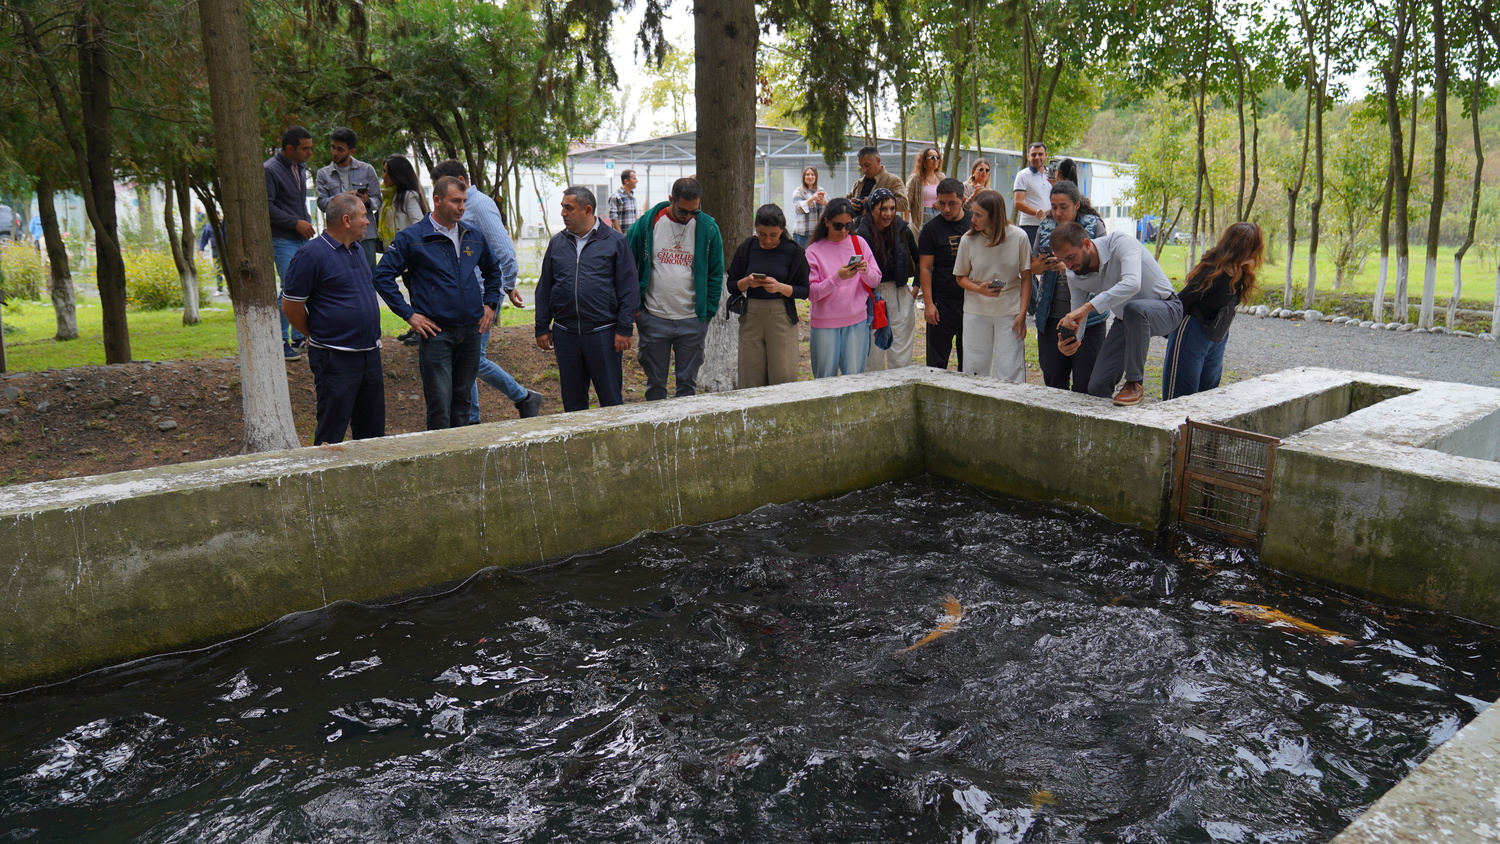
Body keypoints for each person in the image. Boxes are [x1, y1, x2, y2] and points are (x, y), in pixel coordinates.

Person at [371, 176, 504, 429]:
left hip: (471, 331)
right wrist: (409, 314)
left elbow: (493, 270)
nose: (461, 207)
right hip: (436, 332)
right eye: (455, 201)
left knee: (463, 403)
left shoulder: (472, 235)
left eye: (463, 201)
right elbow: (382, 276)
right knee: (440, 404)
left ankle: (461, 450)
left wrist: (491, 303)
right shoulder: (412, 237)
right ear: (437, 200)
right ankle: (440, 451)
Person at [430, 160, 542, 422]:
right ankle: (474, 417)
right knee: (465, 359)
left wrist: (505, 286)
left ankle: (520, 398)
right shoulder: (461, 207)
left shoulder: (479, 204)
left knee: (471, 359)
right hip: (465, 295)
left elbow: (504, 250)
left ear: (461, 180)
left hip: (482, 295)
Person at [280, 192, 385, 445]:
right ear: (347, 220)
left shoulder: (357, 249)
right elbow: (291, 306)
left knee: (372, 434)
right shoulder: (311, 255)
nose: (368, 221)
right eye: (364, 216)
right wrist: (313, 333)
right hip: (335, 357)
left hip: (369, 354)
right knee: (331, 432)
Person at [1051, 221, 1182, 406]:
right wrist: (1071, 340)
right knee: (1097, 386)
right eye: (1063, 260)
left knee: (1134, 309)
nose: (1069, 266)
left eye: (1071, 257)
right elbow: (1077, 315)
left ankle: (1134, 383)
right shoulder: (1074, 274)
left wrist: (1088, 306)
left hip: (1167, 308)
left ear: (1086, 244)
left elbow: (1132, 284)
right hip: (1126, 320)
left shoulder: (1120, 242)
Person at [535, 186, 639, 412]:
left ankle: (613, 435)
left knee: (611, 401)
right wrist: (542, 327)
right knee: (572, 403)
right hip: (565, 335)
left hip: (603, 334)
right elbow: (545, 287)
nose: (563, 213)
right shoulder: (557, 242)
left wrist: (624, 327)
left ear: (588, 210)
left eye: (569, 208)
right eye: (562, 207)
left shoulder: (615, 241)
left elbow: (629, 288)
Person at [626, 177, 725, 401]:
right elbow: (628, 264)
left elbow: (715, 272)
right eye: (683, 211)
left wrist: (707, 313)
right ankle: (657, 423)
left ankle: (686, 423)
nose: (688, 216)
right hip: (654, 316)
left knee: (687, 385)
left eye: (694, 211)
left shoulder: (708, 228)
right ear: (671, 199)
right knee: (655, 383)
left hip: (692, 318)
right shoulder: (648, 223)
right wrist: (637, 307)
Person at [1163, 222, 1264, 399]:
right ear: (1241, 249)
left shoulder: (1240, 272)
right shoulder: (1212, 273)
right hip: (1192, 332)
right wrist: (1164, 328)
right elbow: (1181, 301)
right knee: (1182, 395)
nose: (1256, 254)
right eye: (1253, 249)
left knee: (1209, 392)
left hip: (1217, 334)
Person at [1031, 180, 1107, 393]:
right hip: (1051, 316)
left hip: (1089, 318)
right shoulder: (1045, 227)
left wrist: (1069, 267)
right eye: (1054, 207)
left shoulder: (1094, 226)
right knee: (1054, 381)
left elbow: (1105, 268)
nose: (1058, 213)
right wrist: (1041, 265)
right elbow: (1032, 267)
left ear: (1076, 205)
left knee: (1086, 383)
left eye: (1063, 207)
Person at [727, 204, 810, 387]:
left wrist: (780, 287)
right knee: (750, 378)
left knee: (783, 376)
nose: (767, 240)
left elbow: (804, 290)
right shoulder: (748, 247)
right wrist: (747, 282)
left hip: (781, 315)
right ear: (756, 228)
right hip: (751, 315)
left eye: (774, 234)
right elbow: (732, 285)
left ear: (782, 230)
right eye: (762, 234)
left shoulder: (794, 251)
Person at [954, 190, 1031, 383]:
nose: (973, 219)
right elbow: (960, 277)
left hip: (1010, 311)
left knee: (1010, 367)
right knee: (974, 366)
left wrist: (1022, 313)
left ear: (994, 216)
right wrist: (980, 289)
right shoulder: (968, 239)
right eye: (973, 213)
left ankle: (1010, 400)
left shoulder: (1019, 237)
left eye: (979, 215)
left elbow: (1027, 277)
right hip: (975, 310)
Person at [805, 198, 882, 377]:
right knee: (825, 380)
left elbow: (876, 280)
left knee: (854, 379)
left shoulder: (858, 243)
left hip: (857, 321)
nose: (844, 231)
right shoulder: (813, 251)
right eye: (838, 226)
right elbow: (812, 293)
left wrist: (865, 270)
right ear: (826, 222)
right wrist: (837, 277)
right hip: (825, 324)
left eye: (849, 225)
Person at [264, 125, 315, 360]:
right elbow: (267, 206)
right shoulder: (270, 170)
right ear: (289, 148)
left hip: (301, 237)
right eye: (305, 149)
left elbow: (297, 201)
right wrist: (295, 222)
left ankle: (299, 337)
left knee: (304, 286)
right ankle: (280, 341)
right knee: (290, 288)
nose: (310, 153)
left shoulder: (299, 167)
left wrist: (305, 222)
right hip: (282, 239)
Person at [855, 188, 918, 370]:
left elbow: (920, 259)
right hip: (871, 295)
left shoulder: (902, 229)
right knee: (872, 356)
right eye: (883, 209)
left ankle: (900, 384)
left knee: (900, 352)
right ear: (872, 208)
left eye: (892, 208)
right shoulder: (861, 233)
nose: (888, 214)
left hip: (899, 292)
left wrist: (915, 288)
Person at [918, 178, 972, 371]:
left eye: (952, 203)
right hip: (942, 301)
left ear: (963, 201)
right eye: (941, 203)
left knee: (970, 361)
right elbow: (925, 268)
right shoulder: (931, 229)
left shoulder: (975, 223)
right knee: (936, 363)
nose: (946, 209)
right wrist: (929, 304)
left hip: (971, 300)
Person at [314, 127, 381, 269]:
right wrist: (342, 198)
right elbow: (322, 203)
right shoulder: (323, 174)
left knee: (367, 274)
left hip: (365, 235)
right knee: (338, 274)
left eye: (340, 149)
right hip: (336, 236)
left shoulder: (367, 170)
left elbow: (378, 200)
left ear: (351, 151)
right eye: (333, 147)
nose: (334, 152)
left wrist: (367, 202)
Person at [379, 155, 429, 347]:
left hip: (411, 254)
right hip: (397, 253)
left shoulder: (409, 196)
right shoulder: (389, 196)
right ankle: (416, 327)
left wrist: (407, 243)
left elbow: (419, 223)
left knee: (417, 291)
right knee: (411, 289)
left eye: (386, 171)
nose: (383, 176)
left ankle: (421, 329)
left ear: (397, 174)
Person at [845, 146, 908, 223]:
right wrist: (849, 204)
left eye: (867, 165)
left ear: (878, 161)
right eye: (861, 166)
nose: (864, 170)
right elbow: (843, 201)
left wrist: (876, 200)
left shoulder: (893, 181)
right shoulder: (858, 183)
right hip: (858, 226)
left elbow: (904, 204)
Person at [1012, 142, 1052, 245]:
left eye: (1040, 154)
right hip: (1030, 226)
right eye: (1033, 154)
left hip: (1051, 224)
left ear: (1046, 155)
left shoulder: (1052, 175)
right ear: (1028, 156)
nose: (1037, 157)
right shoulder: (1022, 175)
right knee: (1030, 255)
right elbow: (1018, 203)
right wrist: (1037, 213)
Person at [905, 147, 944, 232]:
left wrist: (941, 204)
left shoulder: (941, 177)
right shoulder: (915, 179)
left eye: (938, 157)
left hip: (939, 220)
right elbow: (906, 203)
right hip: (920, 222)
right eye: (932, 157)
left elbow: (947, 197)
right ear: (923, 161)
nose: (936, 160)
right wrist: (905, 225)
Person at [791, 166, 827, 247]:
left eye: (812, 174)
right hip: (803, 233)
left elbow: (830, 208)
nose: (810, 177)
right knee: (802, 254)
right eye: (807, 174)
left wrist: (825, 202)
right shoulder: (798, 192)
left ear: (816, 177)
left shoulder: (821, 191)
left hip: (818, 232)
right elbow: (798, 209)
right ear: (803, 177)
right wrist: (811, 199)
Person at [607, 169, 639, 233]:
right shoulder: (616, 196)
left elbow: (634, 216)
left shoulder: (633, 197)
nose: (637, 181)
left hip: (631, 236)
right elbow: (613, 218)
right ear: (626, 181)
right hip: (620, 236)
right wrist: (620, 235)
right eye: (634, 179)